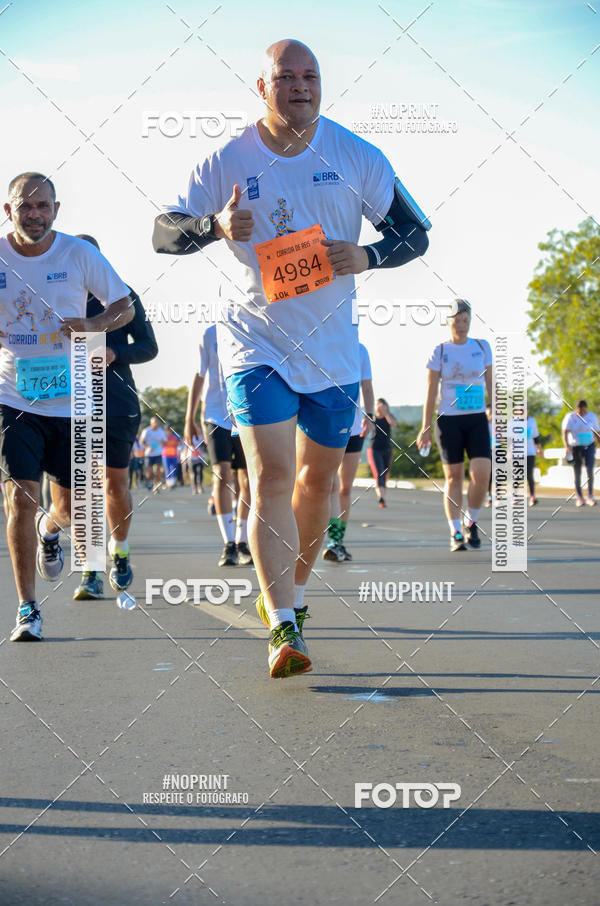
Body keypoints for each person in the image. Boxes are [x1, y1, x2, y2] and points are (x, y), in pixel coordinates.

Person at [153, 39, 429, 677]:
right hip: (256, 342)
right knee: (273, 476)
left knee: (317, 484)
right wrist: (214, 228)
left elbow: (414, 233)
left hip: (331, 350)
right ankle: (281, 627)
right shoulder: (227, 159)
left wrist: (368, 256)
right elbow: (164, 232)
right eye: (286, 76)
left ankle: (292, 600)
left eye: (311, 75)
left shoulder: (357, 155)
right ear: (262, 86)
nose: (300, 85)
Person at [0, 172, 133, 640]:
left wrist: (94, 323)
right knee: (19, 496)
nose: (34, 214)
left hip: (72, 399)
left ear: (56, 211)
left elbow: (124, 306)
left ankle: (50, 531)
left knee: (74, 506)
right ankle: (28, 608)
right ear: (8, 210)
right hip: (12, 396)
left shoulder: (79, 253)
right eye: (25, 206)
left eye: (43, 206)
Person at [72, 234, 158, 600]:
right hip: (70, 402)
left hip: (118, 402)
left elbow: (149, 347)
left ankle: (119, 553)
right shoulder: (56, 297)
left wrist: (114, 352)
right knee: (83, 489)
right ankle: (90, 571)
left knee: (113, 486)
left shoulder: (123, 296)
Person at [417, 299, 492, 552]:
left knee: (482, 474)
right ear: (448, 322)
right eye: (457, 321)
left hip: (478, 418)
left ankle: (472, 521)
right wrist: (425, 426)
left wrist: (495, 410)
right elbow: (429, 392)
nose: (461, 326)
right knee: (454, 477)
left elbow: (491, 383)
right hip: (448, 420)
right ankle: (456, 530)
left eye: (465, 321)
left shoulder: (482, 347)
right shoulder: (439, 351)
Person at [184, 323, 253, 566]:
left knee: (247, 480)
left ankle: (242, 540)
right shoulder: (209, 333)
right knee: (221, 474)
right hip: (214, 415)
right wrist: (188, 418)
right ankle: (228, 544)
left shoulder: (251, 327)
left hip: (245, 414)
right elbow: (200, 375)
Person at [323, 342, 374, 561]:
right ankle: (331, 539)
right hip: (324, 426)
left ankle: (337, 541)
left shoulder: (360, 350)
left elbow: (367, 385)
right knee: (330, 486)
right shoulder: (322, 345)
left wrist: (369, 415)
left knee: (344, 488)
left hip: (353, 428)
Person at [561, 400, 599, 507]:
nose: (581, 413)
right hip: (576, 447)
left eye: (583, 411)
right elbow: (564, 432)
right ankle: (579, 497)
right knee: (577, 472)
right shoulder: (570, 417)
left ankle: (590, 496)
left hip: (589, 446)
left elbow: (597, 432)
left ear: (586, 409)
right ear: (576, 409)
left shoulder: (592, 417)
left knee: (590, 470)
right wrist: (567, 447)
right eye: (579, 411)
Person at [367, 398, 396, 508]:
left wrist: (386, 413)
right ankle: (381, 497)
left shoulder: (389, 416)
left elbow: (394, 424)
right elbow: (367, 429)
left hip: (387, 448)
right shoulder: (373, 418)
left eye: (382, 404)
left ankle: (382, 495)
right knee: (379, 472)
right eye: (378, 405)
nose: (380, 406)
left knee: (385, 473)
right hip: (374, 449)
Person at [141, 416, 167, 491]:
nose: (156, 423)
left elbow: (165, 441)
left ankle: (156, 485)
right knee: (149, 471)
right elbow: (141, 441)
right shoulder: (146, 431)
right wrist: (148, 447)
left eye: (157, 422)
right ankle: (149, 482)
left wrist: (163, 444)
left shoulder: (161, 431)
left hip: (158, 453)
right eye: (154, 422)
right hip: (149, 454)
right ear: (151, 423)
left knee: (157, 470)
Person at [526, 414, 542, 506]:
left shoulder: (532, 421)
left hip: (530, 452)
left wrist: (539, 449)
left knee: (529, 474)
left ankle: (532, 496)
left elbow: (536, 437)